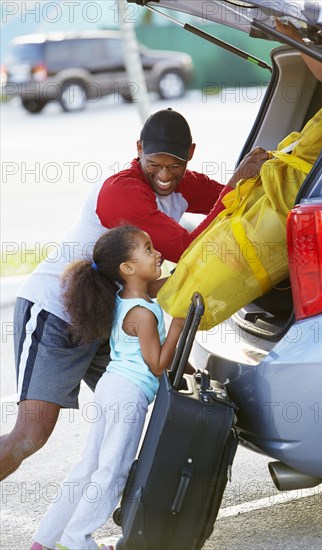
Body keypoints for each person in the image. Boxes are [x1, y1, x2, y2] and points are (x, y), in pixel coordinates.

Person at [0, 109, 266, 481]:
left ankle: (132, 505)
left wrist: (261, 180)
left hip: (109, 317)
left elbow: (227, 202)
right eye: (153, 163)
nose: (164, 174)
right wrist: (237, 183)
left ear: (190, 153)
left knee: (171, 396)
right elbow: (190, 248)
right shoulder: (121, 193)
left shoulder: (180, 182)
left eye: (175, 165)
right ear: (138, 150)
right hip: (55, 314)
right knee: (29, 437)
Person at [30, 224, 186, 550]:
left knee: (88, 467)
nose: (157, 253)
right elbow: (157, 364)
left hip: (111, 387)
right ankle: (76, 541)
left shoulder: (126, 297)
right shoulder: (142, 313)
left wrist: (185, 274)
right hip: (128, 395)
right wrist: (178, 328)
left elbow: (158, 287)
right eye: (148, 249)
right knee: (112, 472)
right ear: (127, 269)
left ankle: (44, 540)